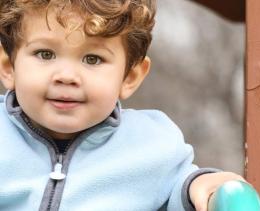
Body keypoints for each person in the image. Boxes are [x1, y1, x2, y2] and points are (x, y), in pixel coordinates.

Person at [0, 1, 245, 211]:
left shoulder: (150, 145)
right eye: (45, 54)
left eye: (92, 59)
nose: (66, 76)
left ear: (129, 77)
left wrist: (204, 184)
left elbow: (181, 187)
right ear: (9, 66)